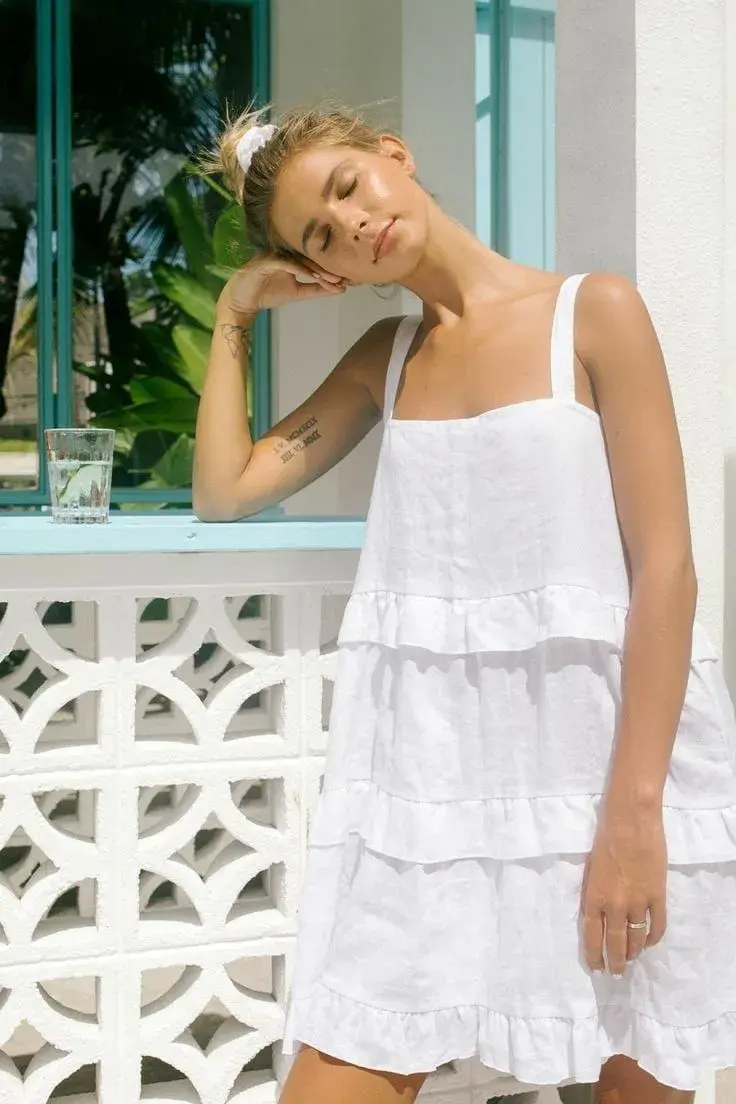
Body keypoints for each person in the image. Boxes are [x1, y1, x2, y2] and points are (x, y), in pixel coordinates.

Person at [194, 104, 736, 1104]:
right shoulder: (385, 361)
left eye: (350, 188)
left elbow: (666, 571)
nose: (351, 225)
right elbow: (225, 489)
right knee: (338, 1072)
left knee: (634, 1079)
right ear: (325, 271)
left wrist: (634, 818)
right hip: (436, 797)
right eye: (320, 235)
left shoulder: (594, 310)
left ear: (393, 157)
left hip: (608, 774)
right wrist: (233, 314)